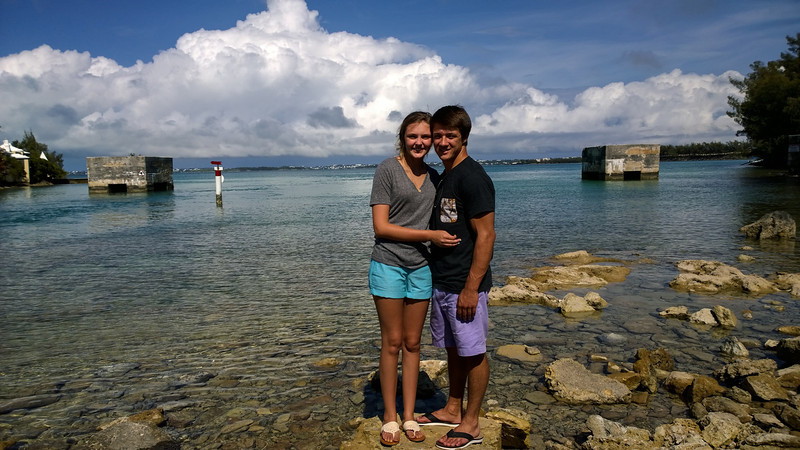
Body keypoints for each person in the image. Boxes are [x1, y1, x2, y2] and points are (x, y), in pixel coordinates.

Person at [369, 111, 461, 446]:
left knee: (413, 344)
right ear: (402, 138)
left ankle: (409, 415)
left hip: (422, 268)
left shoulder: (436, 177)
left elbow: (448, 217)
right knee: (392, 342)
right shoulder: (387, 170)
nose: (419, 143)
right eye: (413, 136)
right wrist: (429, 235)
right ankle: (389, 416)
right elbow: (381, 227)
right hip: (388, 264)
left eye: (425, 137)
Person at [417, 105, 496, 450]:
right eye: (438, 136)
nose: (443, 142)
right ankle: (452, 408)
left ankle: (472, 423)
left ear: (464, 137)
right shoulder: (446, 176)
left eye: (451, 135)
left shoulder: (472, 177)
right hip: (444, 281)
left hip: (465, 284)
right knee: (454, 349)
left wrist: (471, 288)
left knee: (473, 352)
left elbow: (486, 236)